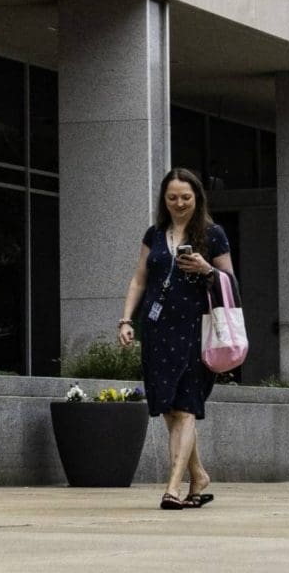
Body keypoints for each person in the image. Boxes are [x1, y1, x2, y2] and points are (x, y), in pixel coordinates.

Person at [117, 167, 234, 510]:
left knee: (186, 409)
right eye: (172, 198)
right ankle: (198, 476)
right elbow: (139, 279)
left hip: (196, 330)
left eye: (186, 197)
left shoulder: (213, 235)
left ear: (197, 197)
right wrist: (126, 320)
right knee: (168, 407)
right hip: (156, 329)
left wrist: (206, 269)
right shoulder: (154, 234)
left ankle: (172, 488)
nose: (179, 203)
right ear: (163, 200)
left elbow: (230, 282)